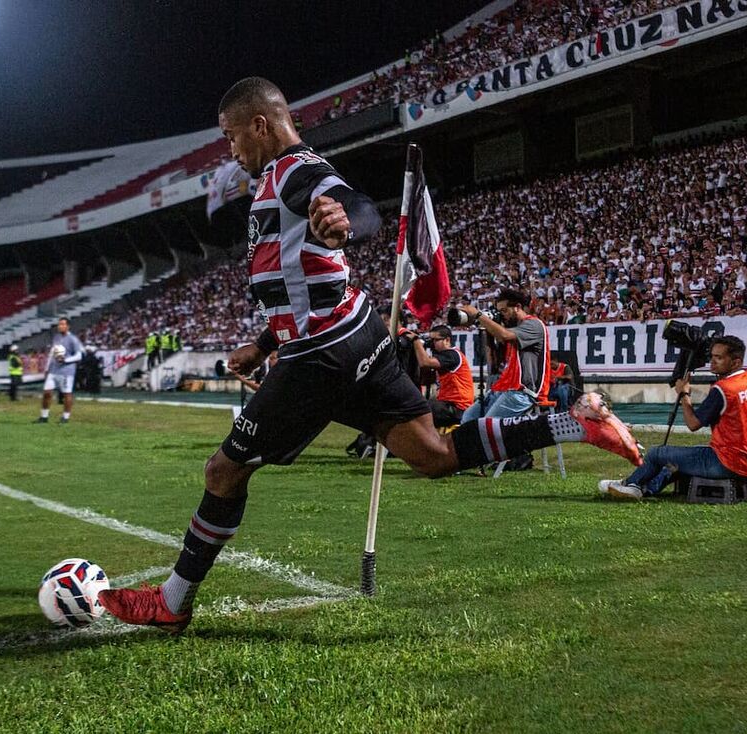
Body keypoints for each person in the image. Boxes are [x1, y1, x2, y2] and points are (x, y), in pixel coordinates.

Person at [98, 76, 642, 633]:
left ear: (259, 125)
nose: (230, 150)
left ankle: (173, 601)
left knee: (222, 471)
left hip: (322, 354)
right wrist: (262, 344)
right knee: (432, 455)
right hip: (356, 333)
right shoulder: (278, 180)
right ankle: (573, 423)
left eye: (231, 136)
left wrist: (342, 225)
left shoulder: (293, 170)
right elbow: (303, 278)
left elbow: (358, 207)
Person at [600, 336, 747, 500]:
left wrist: (684, 394)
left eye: (719, 358)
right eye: (712, 356)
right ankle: (644, 488)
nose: (712, 362)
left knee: (657, 453)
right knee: (676, 460)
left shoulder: (724, 388)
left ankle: (631, 485)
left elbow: (693, 424)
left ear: (735, 363)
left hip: (726, 462)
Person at [458, 289, 549, 423]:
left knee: (487, 425)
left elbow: (504, 335)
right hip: (502, 388)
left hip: (523, 391)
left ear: (517, 307)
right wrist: (485, 328)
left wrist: (478, 315)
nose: (502, 315)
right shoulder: (511, 329)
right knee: (468, 419)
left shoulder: (533, 324)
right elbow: (492, 361)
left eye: (504, 311)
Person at [412, 324, 474, 428]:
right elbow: (425, 380)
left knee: (421, 409)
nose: (432, 343)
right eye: (430, 340)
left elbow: (424, 362)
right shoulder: (442, 357)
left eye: (435, 340)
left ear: (447, 340)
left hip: (458, 407)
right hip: (447, 403)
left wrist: (416, 341)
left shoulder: (452, 354)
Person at [36, 317, 83, 424]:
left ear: (68, 326)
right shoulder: (56, 337)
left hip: (67, 372)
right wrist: (47, 368)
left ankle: (65, 417)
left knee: (67, 394)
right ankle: (44, 417)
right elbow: (52, 353)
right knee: (47, 393)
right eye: (59, 324)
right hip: (53, 370)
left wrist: (66, 360)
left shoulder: (73, 339)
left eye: (62, 324)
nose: (60, 326)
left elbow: (79, 356)